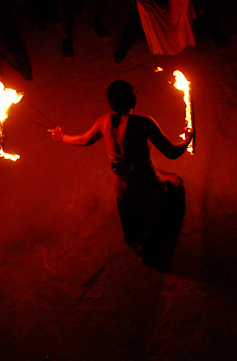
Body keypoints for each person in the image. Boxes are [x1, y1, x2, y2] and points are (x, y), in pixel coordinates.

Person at [48, 80, 194, 257]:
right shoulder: (145, 123)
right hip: (146, 182)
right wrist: (187, 140)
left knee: (130, 223)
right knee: (175, 185)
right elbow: (171, 152)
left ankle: (134, 236)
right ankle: (150, 239)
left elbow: (83, 140)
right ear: (134, 101)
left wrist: (62, 137)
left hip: (122, 186)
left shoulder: (104, 121)